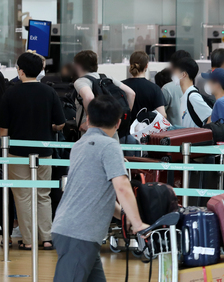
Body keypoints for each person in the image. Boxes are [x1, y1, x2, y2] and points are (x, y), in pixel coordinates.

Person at [51, 95, 149, 282]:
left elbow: (98, 195)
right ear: (118, 123)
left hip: (72, 229)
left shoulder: (79, 145)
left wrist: (124, 215)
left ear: (87, 119)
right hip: (80, 234)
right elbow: (122, 187)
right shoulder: (109, 146)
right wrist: (138, 224)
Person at [0, 52, 66, 250]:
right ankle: (46, 238)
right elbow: (60, 123)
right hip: (44, 152)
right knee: (43, 194)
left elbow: (3, 129)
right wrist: (50, 127)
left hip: (17, 152)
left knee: (22, 196)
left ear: (20, 70)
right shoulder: (49, 92)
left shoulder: (10, 93)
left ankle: (28, 240)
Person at [72, 50, 136, 138]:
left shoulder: (81, 81)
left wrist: (89, 122)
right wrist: (121, 117)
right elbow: (131, 93)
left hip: (92, 135)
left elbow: (89, 97)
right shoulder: (106, 78)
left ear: (78, 66)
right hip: (111, 131)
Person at [122, 51, 167, 120]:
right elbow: (162, 115)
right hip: (147, 129)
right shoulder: (154, 88)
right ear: (146, 66)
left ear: (130, 64)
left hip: (125, 129)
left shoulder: (122, 86)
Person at [176, 57, 211, 128]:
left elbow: (212, 116)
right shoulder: (185, 96)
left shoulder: (193, 96)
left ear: (183, 74)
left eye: (175, 72)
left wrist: (204, 134)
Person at [162, 50, 192, 126]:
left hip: (174, 134)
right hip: (193, 133)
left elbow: (160, 115)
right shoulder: (194, 87)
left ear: (172, 66)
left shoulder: (167, 89)